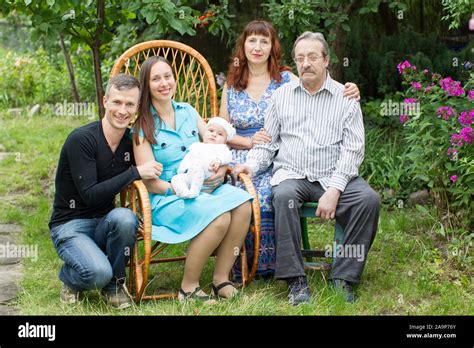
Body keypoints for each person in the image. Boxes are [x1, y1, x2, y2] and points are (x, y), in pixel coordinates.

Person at [234, 31, 380, 305]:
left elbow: (353, 149)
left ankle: (344, 277)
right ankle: (296, 282)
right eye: (300, 58)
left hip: (335, 175)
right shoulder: (281, 97)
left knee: (368, 200)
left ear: (326, 60)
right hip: (293, 173)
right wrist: (251, 165)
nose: (306, 64)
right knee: (283, 197)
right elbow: (268, 142)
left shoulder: (346, 97)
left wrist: (335, 189)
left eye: (313, 57)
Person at [220, 20, 360, 280]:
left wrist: (349, 89)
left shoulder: (285, 79)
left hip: (280, 154)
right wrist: (249, 144)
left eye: (265, 41)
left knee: (266, 194)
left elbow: (316, 85)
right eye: (252, 40)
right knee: (239, 192)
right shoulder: (231, 84)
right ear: (243, 45)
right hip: (247, 152)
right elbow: (222, 130)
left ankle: (271, 265)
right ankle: (238, 265)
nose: (258, 47)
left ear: (273, 46)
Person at [132, 56, 252, 301]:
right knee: (219, 217)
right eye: (156, 79)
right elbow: (150, 182)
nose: (164, 83)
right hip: (168, 195)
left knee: (242, 203)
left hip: (205, 186)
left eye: (167, 76)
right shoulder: (143, 127)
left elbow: (213, 142)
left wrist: (220, 169)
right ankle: (188, 287)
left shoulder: (187, 111)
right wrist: (183, 189)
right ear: (147, 85)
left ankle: (221, 279)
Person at [49, 74, 163, 309]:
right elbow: (89, 194)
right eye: (117, 102)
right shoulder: (82, 139)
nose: (123, 110)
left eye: (130, 104)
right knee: (97, 273)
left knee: (124, 217)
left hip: (103, 222)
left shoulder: (129, 144)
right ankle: (71, 278)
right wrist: (134, 172)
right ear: (105, 101)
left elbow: (154, 170)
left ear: (136, 108)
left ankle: (114, 285)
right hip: (70, 225)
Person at [171, 117, 236, 199]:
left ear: (225, 141)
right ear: (204, 133)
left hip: (208, 178)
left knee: (197, 164)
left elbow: (228, 156)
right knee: (176, 178)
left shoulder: (222, 148)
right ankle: (184, 193)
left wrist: (219, 161)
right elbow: (188, 158)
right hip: (191, 176)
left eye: (220, 134)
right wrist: (182, 171)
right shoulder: (196, 145)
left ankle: (194, 192)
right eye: (211, 131)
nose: (214, 134)